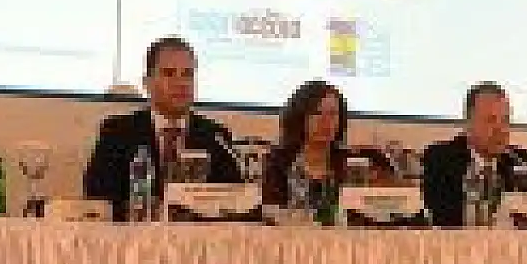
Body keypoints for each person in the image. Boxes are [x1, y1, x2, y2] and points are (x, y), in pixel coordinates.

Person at [83, 37, 244, 221]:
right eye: (169, 73)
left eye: (187, 74)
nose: (181, 83)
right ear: (147, 83)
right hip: (134, 235)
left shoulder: (216, 136)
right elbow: (97, 198)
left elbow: (235, 203)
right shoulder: (117, 132)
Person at [420, 82, 519, 226]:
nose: (501, 129)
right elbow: (439, 218)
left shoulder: (520, 162)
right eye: (490, 120)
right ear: (468, 123)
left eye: (505, 120)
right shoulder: (441, 159)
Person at [261, 79, 349, 207]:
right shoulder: (279, 162)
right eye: (317, 113)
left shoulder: (346, 163)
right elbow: (270, 210)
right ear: (300, 116)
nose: (326, 121)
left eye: (332, 114)